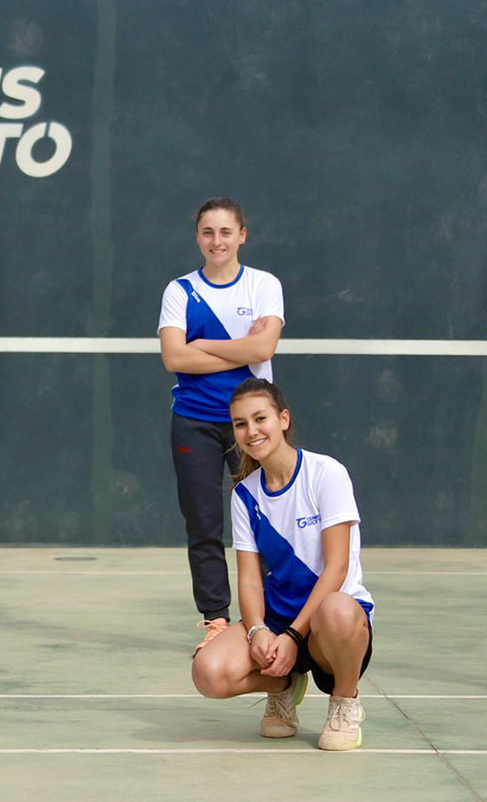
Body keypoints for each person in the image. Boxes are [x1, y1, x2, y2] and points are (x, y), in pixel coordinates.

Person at [191, 379, 374, 751]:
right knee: (207, 673)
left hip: (328, 626)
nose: (251, 431)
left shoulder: (326, 473)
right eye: (241, 423)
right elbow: (249, 581)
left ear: (283, 419)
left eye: (261, 418)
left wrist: (293, 636)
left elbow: (337, 569)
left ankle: (344, 701)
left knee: (337, 609)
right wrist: (259, 631)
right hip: (278, 624)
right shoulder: (245, 494)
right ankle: (284, 685)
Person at [157, 198, 284, 653]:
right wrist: (241, 348)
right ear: (198, 237)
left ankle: (272, 615)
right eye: (208, 232)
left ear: (242, 235)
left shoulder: (264, 285)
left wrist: (204, 345)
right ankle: (215, 620)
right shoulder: (179, 291)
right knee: (204, 522)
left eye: (226, 232)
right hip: (194, 422)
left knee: (266, 517)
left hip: (251, 423)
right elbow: (174, 357)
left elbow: (264, 348)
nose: (217, 241)